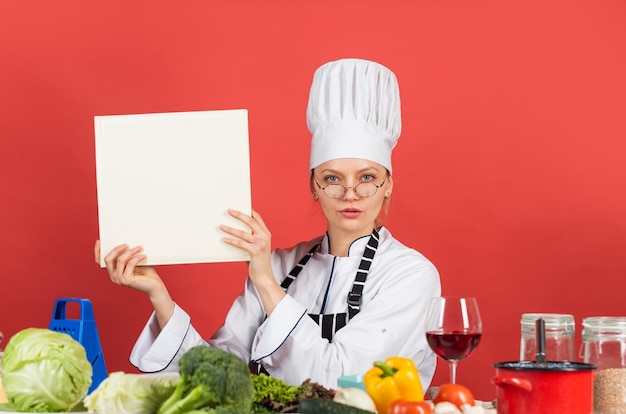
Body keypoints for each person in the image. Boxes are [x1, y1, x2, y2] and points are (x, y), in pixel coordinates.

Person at [96, 58, 441, 389]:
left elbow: (341, 382)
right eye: (332, 178)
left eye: (367, 177)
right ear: (314, 187)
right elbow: (221, 376)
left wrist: (265, 282)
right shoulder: (280, 265)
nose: (350, 193)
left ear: (388, 183)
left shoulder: (410, 275)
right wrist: (159, 294)